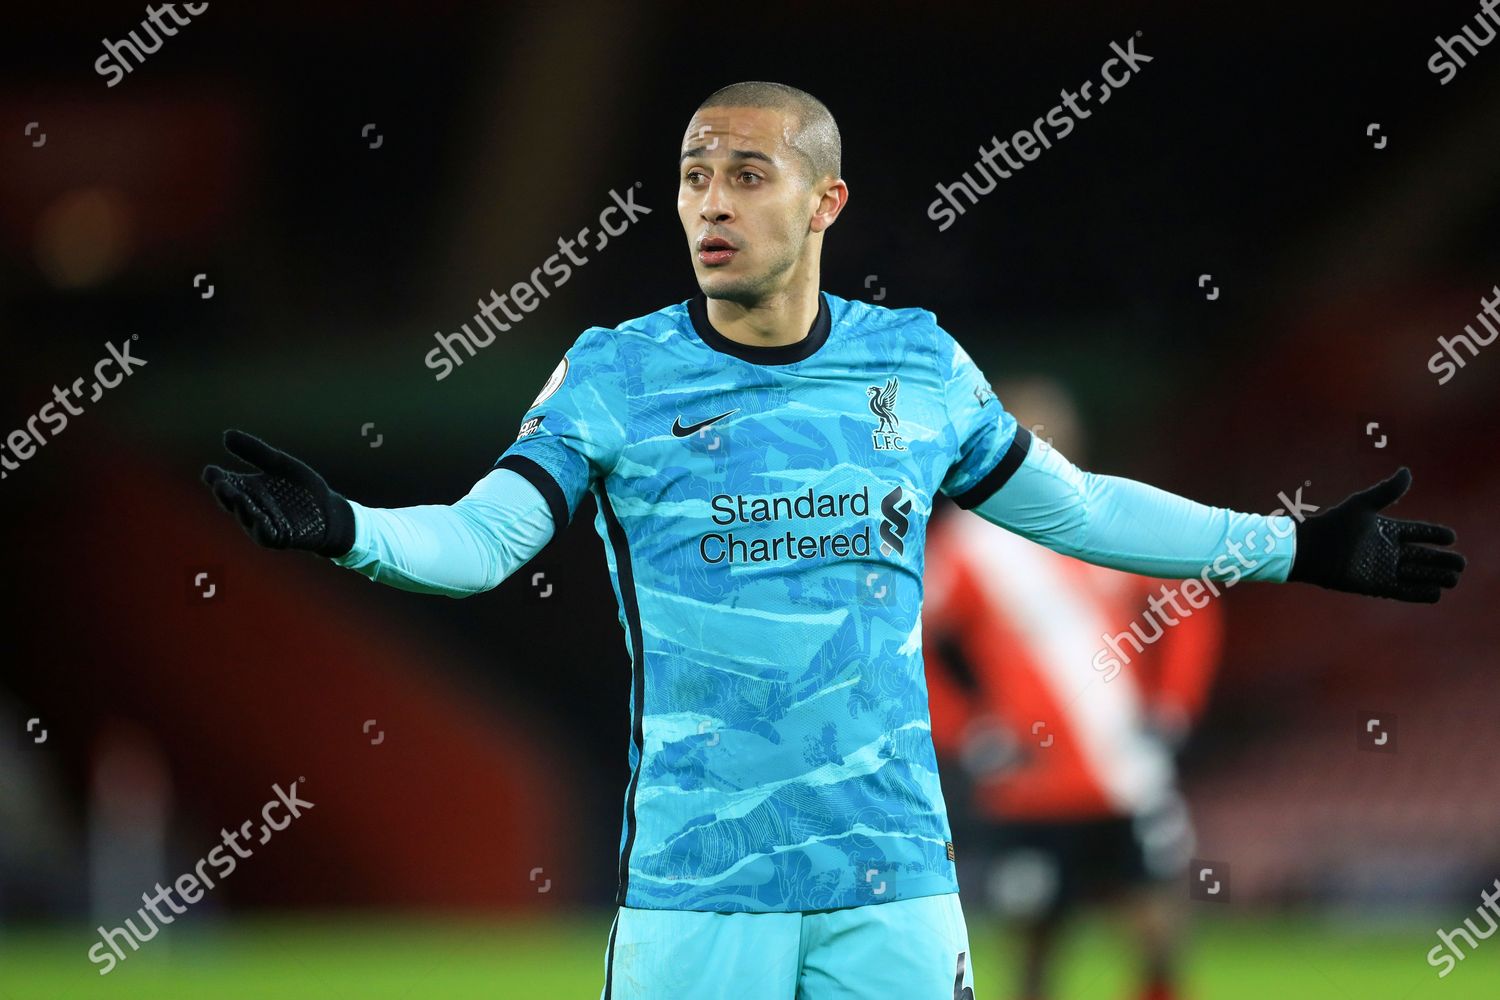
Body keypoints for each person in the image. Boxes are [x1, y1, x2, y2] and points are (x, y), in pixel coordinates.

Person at [201, 81, 1465, 1000]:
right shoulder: (613, 374)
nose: (711, 201)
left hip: (895, 881)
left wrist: (1293, 545)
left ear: (826, 201)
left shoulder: (913, 365)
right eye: (695, 173)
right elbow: (486, 539)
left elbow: (1079, 511)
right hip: (697, 893)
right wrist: (352, 530)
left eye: (748, 173)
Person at [924, 378, 1220, 1000]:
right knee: (1035, 948)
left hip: (1124, 774)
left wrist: (1173, 709)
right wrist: (968, 730)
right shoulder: (972, 543)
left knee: (1158, 935)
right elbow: (909, 642)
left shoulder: (1108, 517)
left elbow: (1191, 607)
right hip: (1029, 787)